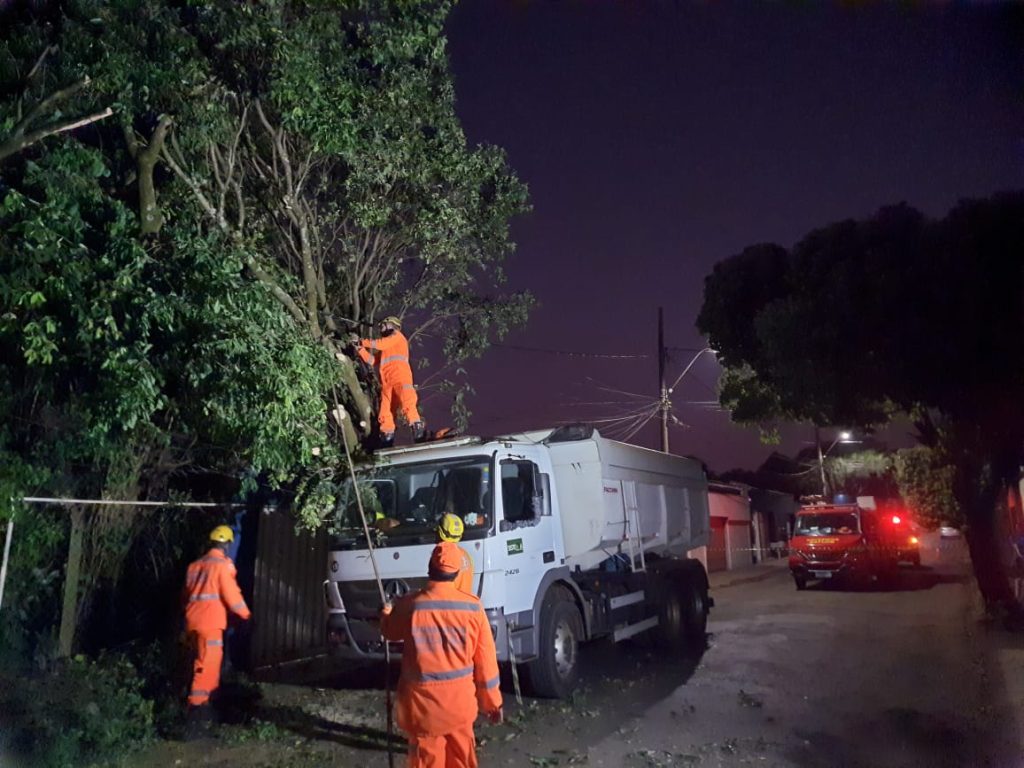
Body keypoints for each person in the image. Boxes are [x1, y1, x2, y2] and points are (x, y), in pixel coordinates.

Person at [380, 543, 502, 767]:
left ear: (430, 569)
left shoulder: (410, 605)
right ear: (457, 573)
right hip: (460, 708)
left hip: (423, 711)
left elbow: (390, 631)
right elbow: (486, 661)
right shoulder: (473, 608)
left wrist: (386, 613)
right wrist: (492, 704)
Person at [182, 525, 251, 734]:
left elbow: (186, 595)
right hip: (210, 624)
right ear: (227, 545)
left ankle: (203, 712)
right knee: (207, 667)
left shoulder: (194, 566)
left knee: (198, 664)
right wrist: (246, 616)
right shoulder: (221, 566)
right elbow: (232, 597)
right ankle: (196, 715)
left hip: (192, 623)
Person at [355, 315, 424, 447]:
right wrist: (360, 349)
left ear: (392, 325)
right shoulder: (387, 347)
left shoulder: (397, 336)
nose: (381, 328)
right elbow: (372, 360)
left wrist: (362, 341)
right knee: (386, 410)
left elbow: (380, 344)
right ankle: (387, 434)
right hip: (387, 383)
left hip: (400, 377)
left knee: (407, 401)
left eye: (383, 325)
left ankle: (416, 426)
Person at [437, 513, 475, 596]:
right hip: (465, 602)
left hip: (449, 602)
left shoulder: (444, 556)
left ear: (440, 531)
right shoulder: (465, 554)